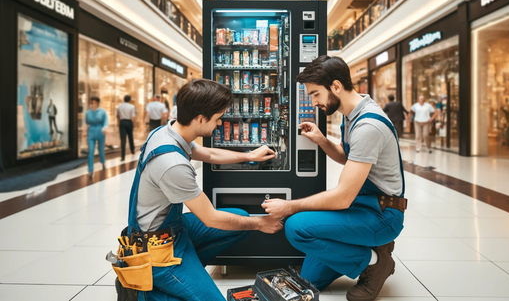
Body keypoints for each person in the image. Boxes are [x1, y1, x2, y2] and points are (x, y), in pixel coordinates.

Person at [262, 55, 406, 301]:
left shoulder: (368, 126)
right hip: (363, 205)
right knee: (310, 280)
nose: (313, 101)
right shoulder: (352, 112)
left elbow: (341, 198)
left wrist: (289, 206)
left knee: (297, 227)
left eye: (316, 94)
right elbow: (349, 158)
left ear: (336, 86)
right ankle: (367, 249)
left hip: (382, 214)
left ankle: (375, 261)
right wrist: (322, 140)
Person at [126, 79, 282, 300]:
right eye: (218, 118)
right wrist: (260, 223)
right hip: (157, 250)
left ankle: (188, 273)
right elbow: (212, 219)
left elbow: (209, 155)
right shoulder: (172, 164)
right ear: (200, 118)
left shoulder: (168, 132)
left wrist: (250, 156)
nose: (219, 124)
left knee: (239, 219)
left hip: (170, 229)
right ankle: (156, 285)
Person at [85, 97, 108, 176]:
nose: (93, 104)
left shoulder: (102, 111)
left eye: (95, 102)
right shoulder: (88, 112)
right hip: (91, 132)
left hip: (100, 132)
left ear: (98, 103)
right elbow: (87, 122)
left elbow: (106, 121)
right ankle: (91, 170)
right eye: (92, 102)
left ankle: (103, 162)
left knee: (100, 149)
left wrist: (105, 127)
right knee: (91, 151)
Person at [116, 95, 136, 161]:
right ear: (129, 100)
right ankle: (132, 150)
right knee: (130, 137)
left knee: (123, 139)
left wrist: (118, 122)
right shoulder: (131, 106)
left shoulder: (119, 106)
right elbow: (132, 117)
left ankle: (122, 156)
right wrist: (133, 124)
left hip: (122, 122)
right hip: (129, 122)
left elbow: (117, 115)